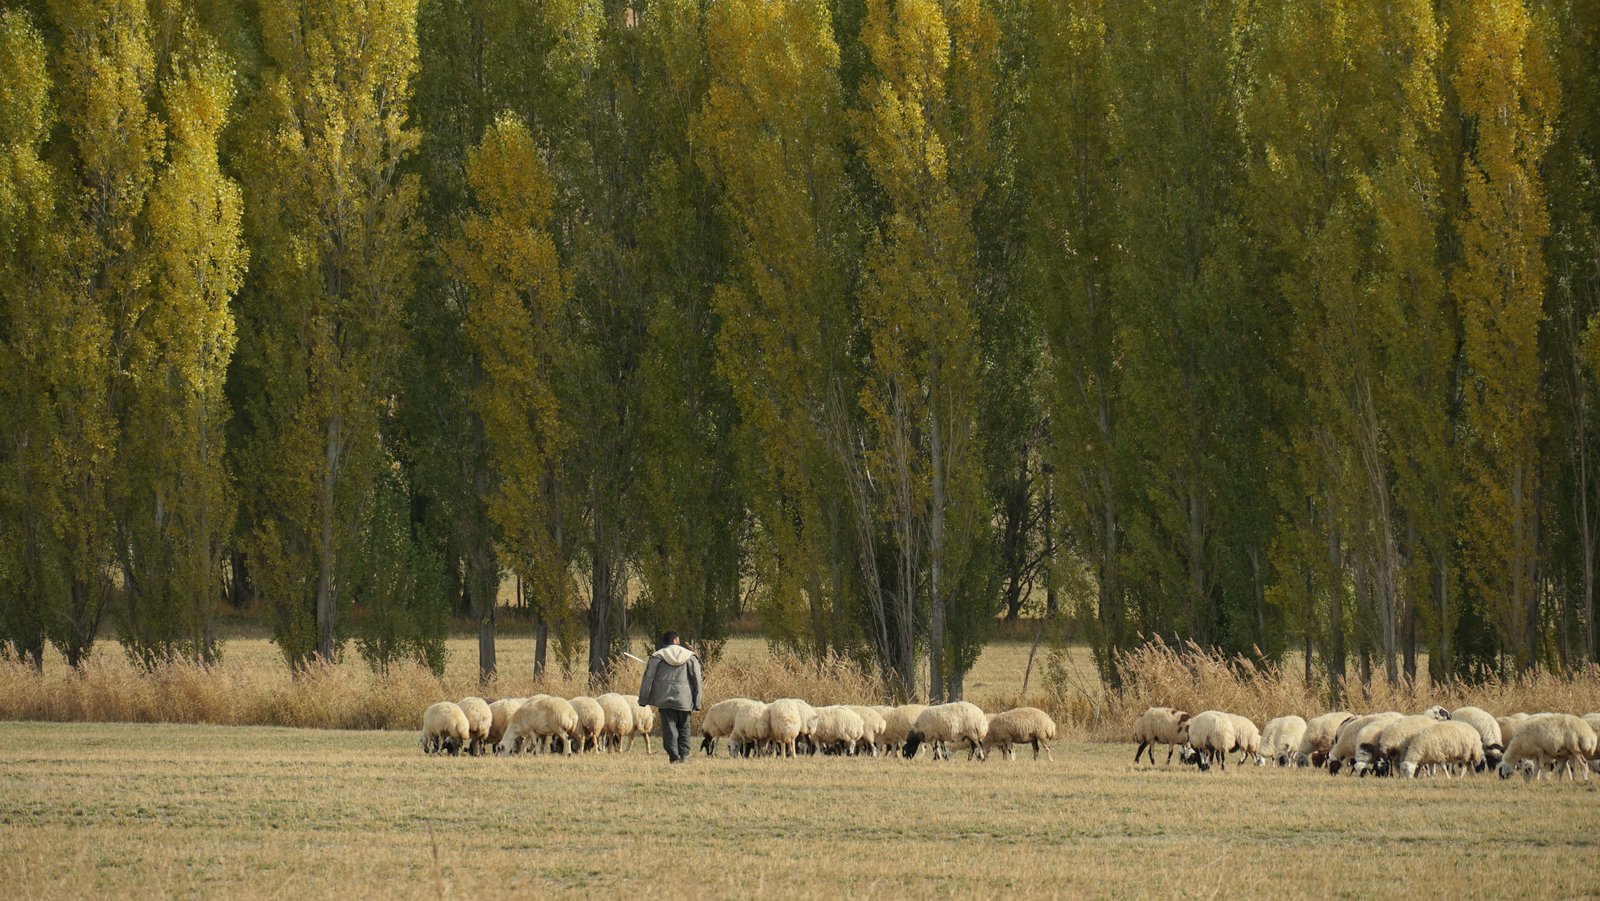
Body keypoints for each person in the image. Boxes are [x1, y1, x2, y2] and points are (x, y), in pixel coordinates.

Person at [637, 630, 701, 763]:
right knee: (685, 728)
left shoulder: (657, 656)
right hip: (685, 700)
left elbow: (648, 678)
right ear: (675, 640)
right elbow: (697, 681)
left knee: (669, 729)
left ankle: (674, 756)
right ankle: (685, 755)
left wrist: (643, 699)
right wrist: (697, 702)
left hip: (665, 699)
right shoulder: (690, 656)